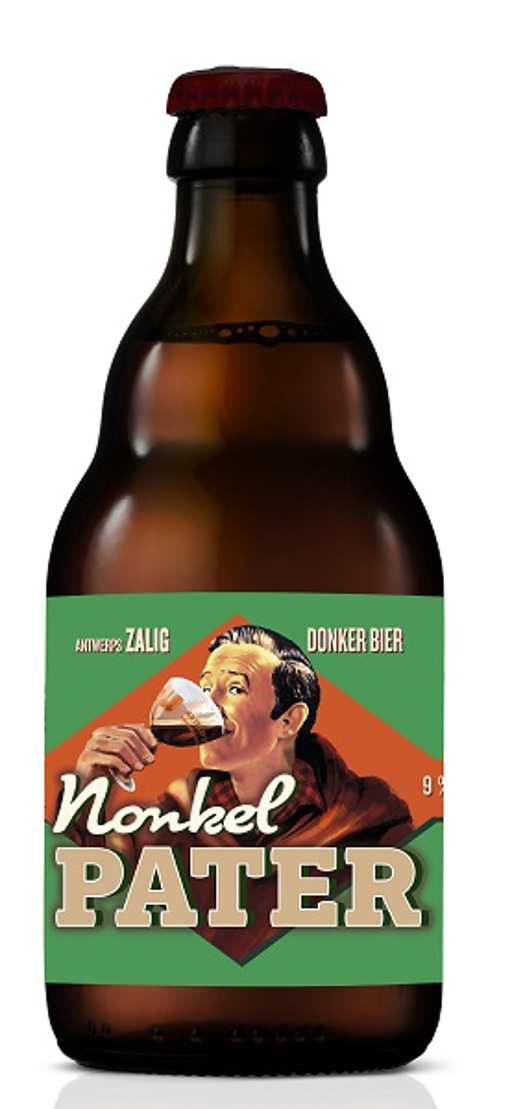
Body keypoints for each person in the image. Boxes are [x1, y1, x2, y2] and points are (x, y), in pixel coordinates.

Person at [71, 625, 413, 962]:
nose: (205, 706)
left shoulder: (368, 816)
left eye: (234, 689)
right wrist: (88, 789)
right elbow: (89, 899)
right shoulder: (167, 822)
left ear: (289, 720)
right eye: (205, 688)